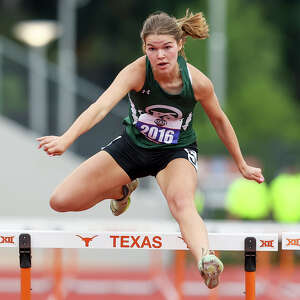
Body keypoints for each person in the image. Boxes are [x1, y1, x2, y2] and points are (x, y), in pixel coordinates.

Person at [37, 10, 264, 289]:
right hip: (132, 147)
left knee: (182, 203)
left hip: (175, 153)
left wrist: (241, 163)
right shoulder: (136, 72)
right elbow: (101, 107)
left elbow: (219, 120)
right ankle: (122, 189)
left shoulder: (197, 82)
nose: (160, 56)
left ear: (180, 45)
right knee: (61, 201)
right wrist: (66, 138)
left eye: (167, 47)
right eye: (152, 48)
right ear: (144, 48)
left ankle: (206, 259)